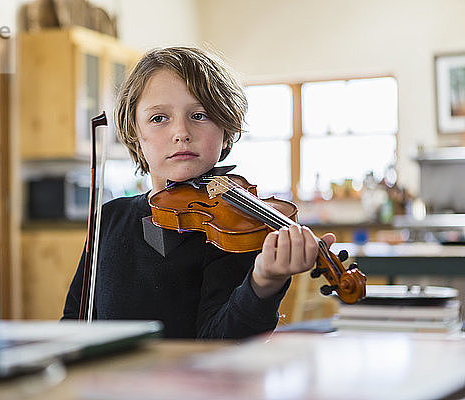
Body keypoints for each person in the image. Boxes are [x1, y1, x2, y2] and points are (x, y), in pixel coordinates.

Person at [62, 46, 335, 339]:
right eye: (158, 118)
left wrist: (264, 282)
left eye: (200, 115)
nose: (181, 131)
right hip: (107, 382)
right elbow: (73, 321)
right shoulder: (110, 218)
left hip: (192, 383)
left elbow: (221, 342)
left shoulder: (234, 227)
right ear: (134, 133)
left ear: (226, 129)